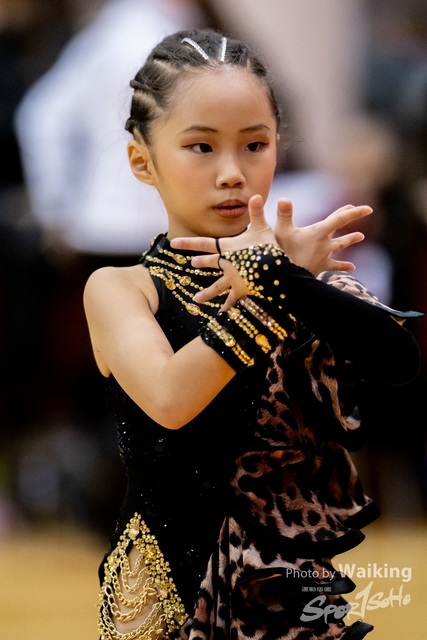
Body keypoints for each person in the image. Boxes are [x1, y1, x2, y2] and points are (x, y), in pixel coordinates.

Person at [83, 29, 421, 640]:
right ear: (142, 160)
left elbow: (399, 360)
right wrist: (270, 293)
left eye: (254, 144)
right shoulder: (120, 289)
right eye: (201, 147)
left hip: (290, 594)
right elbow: (171, 398)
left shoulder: (294, 279)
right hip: (166, 601)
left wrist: (288, 281)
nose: (233, 173)